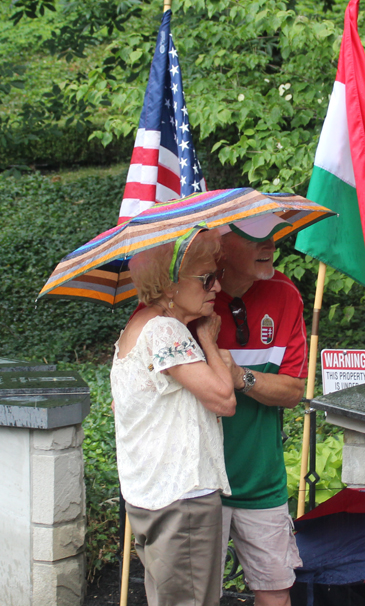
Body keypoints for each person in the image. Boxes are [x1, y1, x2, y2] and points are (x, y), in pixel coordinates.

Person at [110, 228, 236, 606]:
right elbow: (224, 398)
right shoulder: (165, 331)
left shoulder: (138, 327)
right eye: (206, 278)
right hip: (183, 499)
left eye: (217, 277)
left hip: (151, 498)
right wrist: (209, 339)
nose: (216, 288)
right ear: (169, 286)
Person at [214, 227, 307, 606]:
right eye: (254, 236)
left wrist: (242, 377)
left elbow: (292, 392)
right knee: (196, 597)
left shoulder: (286, 295)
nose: (269, 244)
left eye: (272, 234)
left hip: (261, 479)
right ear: (220, 243)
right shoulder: (187, 298)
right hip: (200, 485)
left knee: (276, 593)